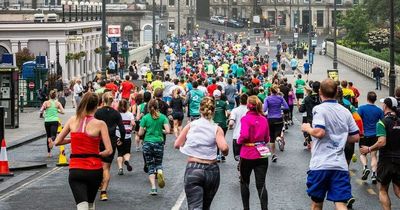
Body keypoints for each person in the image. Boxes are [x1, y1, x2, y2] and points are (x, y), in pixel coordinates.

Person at [301, 79, 360, 210]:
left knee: (317, 203)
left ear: (320, 92)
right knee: (341, 203)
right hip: (340, 165)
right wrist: (340, 137)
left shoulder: (319, 109)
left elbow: (320, 132)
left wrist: (307, 128)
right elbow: (356, 136)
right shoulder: (345, 111)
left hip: (320, 164)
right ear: (337, 93)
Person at [52, 92, 113, 210]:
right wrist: (98, 154)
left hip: (76, 169)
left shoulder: (72, 120)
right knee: (90, 204)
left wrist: (74, 139)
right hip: (94, 169)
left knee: (82, 205)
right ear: (97, 105)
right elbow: (109, 150)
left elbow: (57, 141)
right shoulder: (100, 124)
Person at [174, 97, 229, 210]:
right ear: (213, 111)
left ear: (200, 110)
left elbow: (177, 144)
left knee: (195, 206)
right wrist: (225, 150)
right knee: (205, 206)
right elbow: (223, 148)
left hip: (193, 168)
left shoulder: (191, 125)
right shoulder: (216, 129)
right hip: (211, 170)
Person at [360, 97, 400, 210]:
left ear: (386, 106)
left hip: (386, 161)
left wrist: (369, 149)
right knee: (398, 190)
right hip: (399, 160)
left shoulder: (382, 123)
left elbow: (382, 142)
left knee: (382, 189)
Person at [238, 95, 270, 210]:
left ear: (248, 105)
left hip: (247, 153)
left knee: (244, 182)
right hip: (262, 153)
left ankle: (246, 208)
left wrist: (239, 140)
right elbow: (267, 139)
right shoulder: (264, 119)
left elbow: (244, 135)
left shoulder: (245, 119)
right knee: (261, 185)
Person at [95, 92, 126, 201]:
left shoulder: (97, 112)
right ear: (112, 101)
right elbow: (122, 129)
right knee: (106, 167)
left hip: (98, 140)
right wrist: (121, 139)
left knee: (98, 164)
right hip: (111, 141)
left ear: (102, 100)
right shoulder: (116, 113)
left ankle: (99, 183)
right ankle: (104, 192)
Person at [139, 99, 170, 195]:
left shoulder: (145, 118)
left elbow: (140, 133)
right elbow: (168, 131)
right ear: (158, 107)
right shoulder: (163, 117)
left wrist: (144, 129)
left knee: (150, 165)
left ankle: (153, 188)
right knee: (158, 163)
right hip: (159, 142)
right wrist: (161, 130)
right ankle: (159, 171)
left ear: (148, 107)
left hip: (147, 143)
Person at [357, 91, 384, 183]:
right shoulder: (379, 110)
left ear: (367, 98)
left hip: (364, 135)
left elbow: (358, 120)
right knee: (374, 156)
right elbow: (382, 122)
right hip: (375, 135)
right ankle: (373, 174)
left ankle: (365, 167)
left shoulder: (361, 108)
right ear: (375, 99)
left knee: (362, 154)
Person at [263, 85, 289, 162]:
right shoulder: (280, 98)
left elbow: (264, 109)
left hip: (270, 118)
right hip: (279, 118)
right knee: (277, 134)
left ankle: (273, 154)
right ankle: (279, 139)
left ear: (270, 91)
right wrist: (279, 107)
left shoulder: (267, 98)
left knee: (271, 137)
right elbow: (286, 107)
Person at [40, 90, 65, 157]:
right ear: (55, 96)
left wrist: (44, 109)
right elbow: (63, 112)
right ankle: (51, 140)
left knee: (48, 136)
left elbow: (41, 110)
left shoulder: (46, 102)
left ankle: (49, 153)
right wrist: (57, 110)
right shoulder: (57, 103)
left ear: (49, 96)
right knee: (53, 135)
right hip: (54, 121)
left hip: (47, 121)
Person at [116, 99, 135, 176]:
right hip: (127, 135)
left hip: (118, 135)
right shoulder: (130, 114)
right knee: (127, 152)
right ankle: (126, 160)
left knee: (120, 152)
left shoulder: (117, 114)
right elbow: (133, 123)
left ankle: (120, 168)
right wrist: (131, 128)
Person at [213, 90, 229, 162]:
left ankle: (217, 155)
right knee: (222, 138)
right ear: (220, 95)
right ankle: (223, 155)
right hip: (223, 123)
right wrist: (226, 118)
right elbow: (228, 112)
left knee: (216, 140)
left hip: (214, 123)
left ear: (214, 95)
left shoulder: (211, 103)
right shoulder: (224, 103)